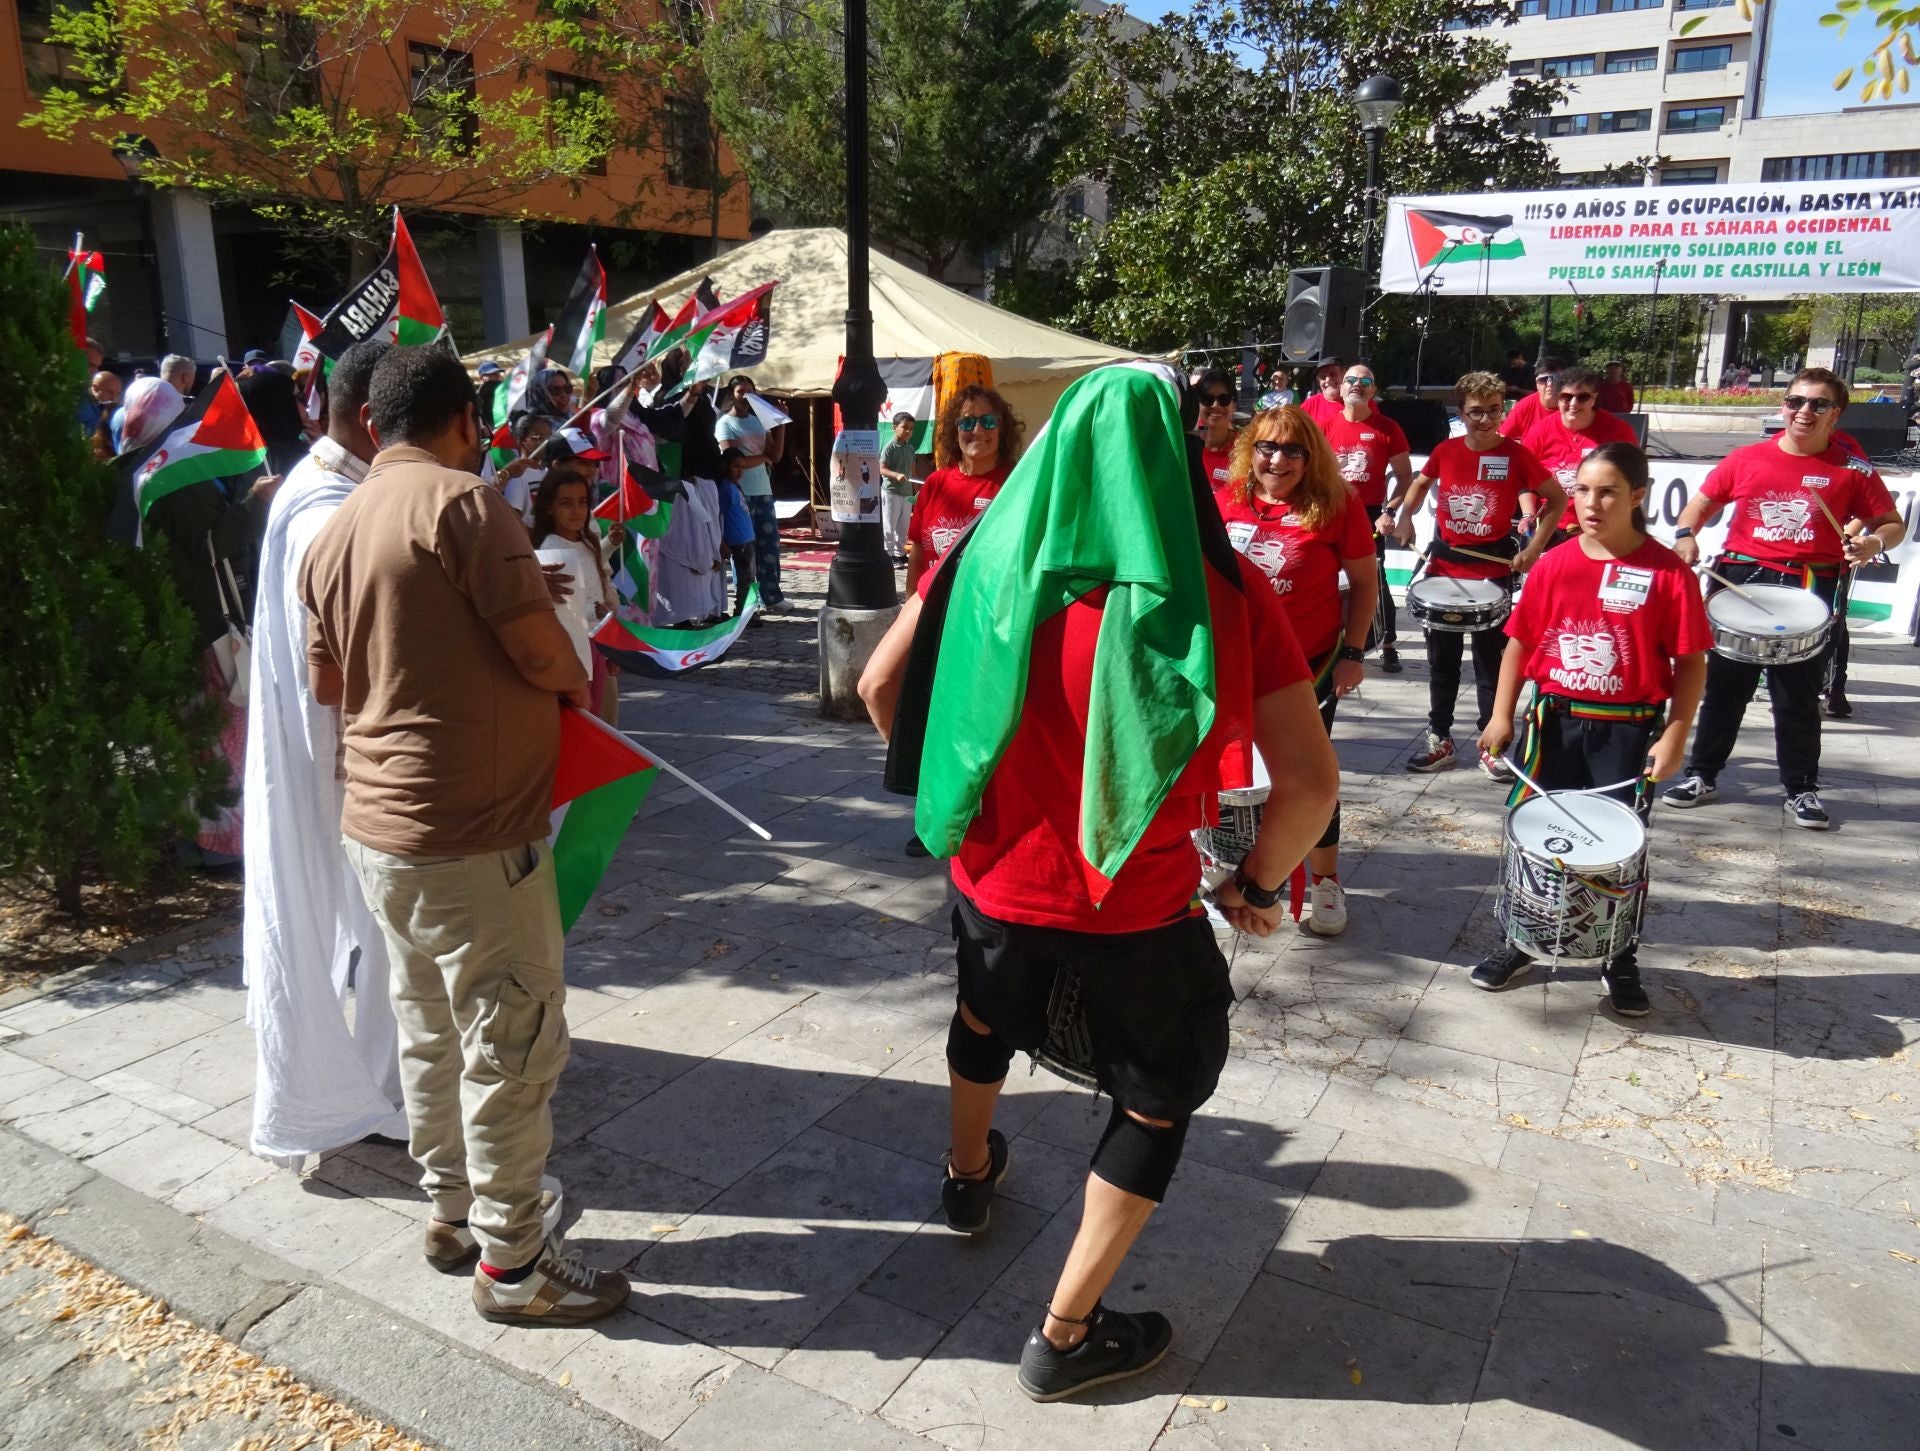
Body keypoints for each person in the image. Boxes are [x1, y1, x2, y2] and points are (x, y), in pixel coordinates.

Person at [858, 364, 1338, 1401]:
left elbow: (878, 684)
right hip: (1137, 900)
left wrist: (958, 804)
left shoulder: (981, 560)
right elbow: (1310, 783)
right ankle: (1066, 1331)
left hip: (993, 878)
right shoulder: (1222, 585)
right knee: (1158, 1096)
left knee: (984, 1016)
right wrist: (1256, 881)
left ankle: (966, 1174)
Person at [301, 344, 629, 1325]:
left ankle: (452, 1211)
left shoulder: (331, 526)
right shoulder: (463, 503)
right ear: (463, 424)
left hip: (383, 830)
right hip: (473, 834)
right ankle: (515, 1258)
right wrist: (566, 678)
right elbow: (542, 652)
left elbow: (330, 683)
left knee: (430, 1027)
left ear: (371, 423)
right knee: (513, 1039)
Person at [1472, 443, 1712, 1016]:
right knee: (1538, 838)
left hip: (1627, 734)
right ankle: (1523, 939)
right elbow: (1519, 644)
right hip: (1554, 725)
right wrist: (1502, 714)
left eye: (1606, 491)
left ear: (1637, 496)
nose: (1591, 503)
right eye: (1581, 490)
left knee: (1617, 853)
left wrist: (1675, 735)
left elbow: (1692, 663)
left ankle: (1618, 954)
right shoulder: (1555, 564)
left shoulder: (1667, 573)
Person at [245, 338, 409, 1165]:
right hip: (342, 755)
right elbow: (343, 659)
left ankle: (386, 1077)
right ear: (376, 425)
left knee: (384, 921)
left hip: (347, 749)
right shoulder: (323, 511)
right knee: (386, 922)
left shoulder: (329, 488)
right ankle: (379, 1091)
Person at [1662, 368, 1905, 829]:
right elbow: (1698, 507)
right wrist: (1684, 535)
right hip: (1741, 579)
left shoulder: (1852, 470)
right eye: (1796, 402)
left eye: (1817, 405)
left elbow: (1892, 524)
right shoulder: (1746, 458)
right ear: (1783, 406)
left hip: (1808, 585)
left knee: (1796, 697)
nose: (1804, 412)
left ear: (1836, 414)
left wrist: (1872, 544)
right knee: (1724, 690)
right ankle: (1702, 776)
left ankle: (1801, 789)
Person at [1213, 403, 1377, 935]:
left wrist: (1353, 653)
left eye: (1291, 450)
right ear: (1249, 451)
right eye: (1266, 447)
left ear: (1311, 458)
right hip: (1235, 670)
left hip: (1304, 669)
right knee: (1238, 781)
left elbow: (1365, 584)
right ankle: (1244, 875)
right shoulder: (1226, 502)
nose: (1277, 460)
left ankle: (1326, 883)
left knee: (1309, 778)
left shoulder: (1336, 506)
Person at [131, 374, 281, 865]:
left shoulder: (142, 466)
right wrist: (255, 503)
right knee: (223, 733)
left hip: (173, 618)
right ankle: (221, 845)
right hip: (206, 618)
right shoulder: (181, 474)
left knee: (196, 732)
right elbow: (211, 546)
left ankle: (195, 837)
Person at [1389, 372, 1565, 777]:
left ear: (1502, 409)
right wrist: (1406, 518)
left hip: (1493, 573)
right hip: (1445, 569)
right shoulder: (1446, 451)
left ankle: (1493, 741)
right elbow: (1418, 485)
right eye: (1474, 413)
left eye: (1492, 411)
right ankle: (1440, 738)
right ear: (1460, 412)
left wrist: (1534, 548)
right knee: (1442, 664)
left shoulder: (1516, 454)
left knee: (1491, 663)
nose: (1484, 420)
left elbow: (1555, 500)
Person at [1319, 361, 1412, 672]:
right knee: (1323, 578)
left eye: (1365, 380)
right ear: (1341, 388)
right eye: (1350, 380)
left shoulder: (1388, 429)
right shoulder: (1326, 427)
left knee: (1375, 581)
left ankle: (1387, 644)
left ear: (1374, 390)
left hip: (1368, 516)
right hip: (1329, 512)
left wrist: (1389, 512)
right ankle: (1327, 643)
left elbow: (1404, 477)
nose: (1356, 384)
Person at [904, 384, 1023, 594]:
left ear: (1001, 428)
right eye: (967, 423)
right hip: (933, 605)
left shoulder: (1017, 483)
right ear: (955, 429)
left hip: (984, 611)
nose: (977, 431)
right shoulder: (935, 483)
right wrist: (910, 604)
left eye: (988, 421)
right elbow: (918, 553)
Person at [530, 468, 623, 724]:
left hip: (600, 644)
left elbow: (599, 582)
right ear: (549, 507)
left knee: (607, 721)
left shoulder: (587, 542)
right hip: (575, 651)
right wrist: (596, 613)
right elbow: (563, 607)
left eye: (582, 502)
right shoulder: (550, 548)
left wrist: (611, 640)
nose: (576, 511)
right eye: (566, 503)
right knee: (585, 723)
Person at [1521, 365, 1639, 541]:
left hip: (1601, 525)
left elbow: (1633, 482)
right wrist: (1527, 514)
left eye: (1582, 397)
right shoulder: (1539, 432)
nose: (1573, 404)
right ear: (1558, 398)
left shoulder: (1618, 433)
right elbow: (1525, 481)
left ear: (1594, 398)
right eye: (1566, 397)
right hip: (1551, 526)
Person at [714, 374, 789, 611]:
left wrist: (780, 427)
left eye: (750, 392)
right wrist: (762, 458)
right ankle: (747, 600)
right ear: (731, 395)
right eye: (740, 392)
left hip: (763, 490)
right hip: (740, 492)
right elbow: (736, 460)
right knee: (745, 549)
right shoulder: (725, 423)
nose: (746, 397)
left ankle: (772, 596)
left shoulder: (758, 422)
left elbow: (775, 456)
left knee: (770, 545)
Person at [716, 447, 759, 619]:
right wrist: (721, 541)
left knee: (749, 577)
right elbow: (717, 514)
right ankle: (744, 612)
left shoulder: (735, 486)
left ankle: (747, 610)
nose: (740, 470)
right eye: (735, 466)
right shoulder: (725, 488)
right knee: (746, 579)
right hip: (736, 540)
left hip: (747, 539)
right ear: (726, 465)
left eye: (742, 467)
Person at [880, 412, 920, 564]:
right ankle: (888, 554)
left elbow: (913, 472)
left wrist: (917, 491)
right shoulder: (889, 448)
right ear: (894, 427)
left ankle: (900, 553)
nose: (908, 431)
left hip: (906, 493)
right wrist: (895, 475)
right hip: (891, 491)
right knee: (890, 524)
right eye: (905, 428)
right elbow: (881, 469)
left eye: (911, 429)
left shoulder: (910, 449)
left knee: (904, 525)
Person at [1193, 368, 1239, 491]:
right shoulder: (1187, 447)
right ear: (1197, 404)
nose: (1215, 405)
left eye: (1224, 399)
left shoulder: (1246, 448)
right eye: (1207, 399)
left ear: (1233, 405)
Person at [1499, 361, 1561, 441]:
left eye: (1556, 379)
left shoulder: (1575, 405)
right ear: (1537, 384)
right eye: (1544, 379)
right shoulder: (1524, 407)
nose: (1550, 384)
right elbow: (1502, 438)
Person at [1297, 358, 1345, 429]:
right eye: (1323, 377)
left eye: (1333, 374)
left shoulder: (1358, 402)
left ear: (1344, 374)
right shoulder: (1311, 403)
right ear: (1318, 381)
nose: (1328, 380)